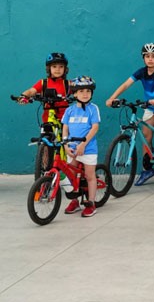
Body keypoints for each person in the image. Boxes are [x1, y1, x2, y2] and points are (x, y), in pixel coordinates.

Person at [106, 43, 154, 186]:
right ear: (143, 58)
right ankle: (147, 169)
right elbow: (126, 84)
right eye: (147, 56)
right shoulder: (141, 72)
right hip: (149, 106)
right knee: (146, 137)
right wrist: (112, 97)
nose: (150, 59)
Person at [61, 76, 101, 218]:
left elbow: (94, 128)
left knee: (90, 176)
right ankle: (74, 201)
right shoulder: (69, 111)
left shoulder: (93, 109)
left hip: (88, 149)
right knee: (72, 177)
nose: (85, 94)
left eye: (88, 91)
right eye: (82, 91)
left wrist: (83, 145)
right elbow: (65, 128)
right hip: (72, 149)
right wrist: (65, 145)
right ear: (75, 93)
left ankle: (91, 203)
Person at [18, 52, 71, 124]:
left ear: (65, 69)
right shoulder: (43, 83)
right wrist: (23, 96)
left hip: (65, 118)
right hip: (48, 118)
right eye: (54, 66)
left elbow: (79, 90)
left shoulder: (67, 84)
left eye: (61, 66)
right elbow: (31, 91)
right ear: (49, 68)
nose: (57, 69)